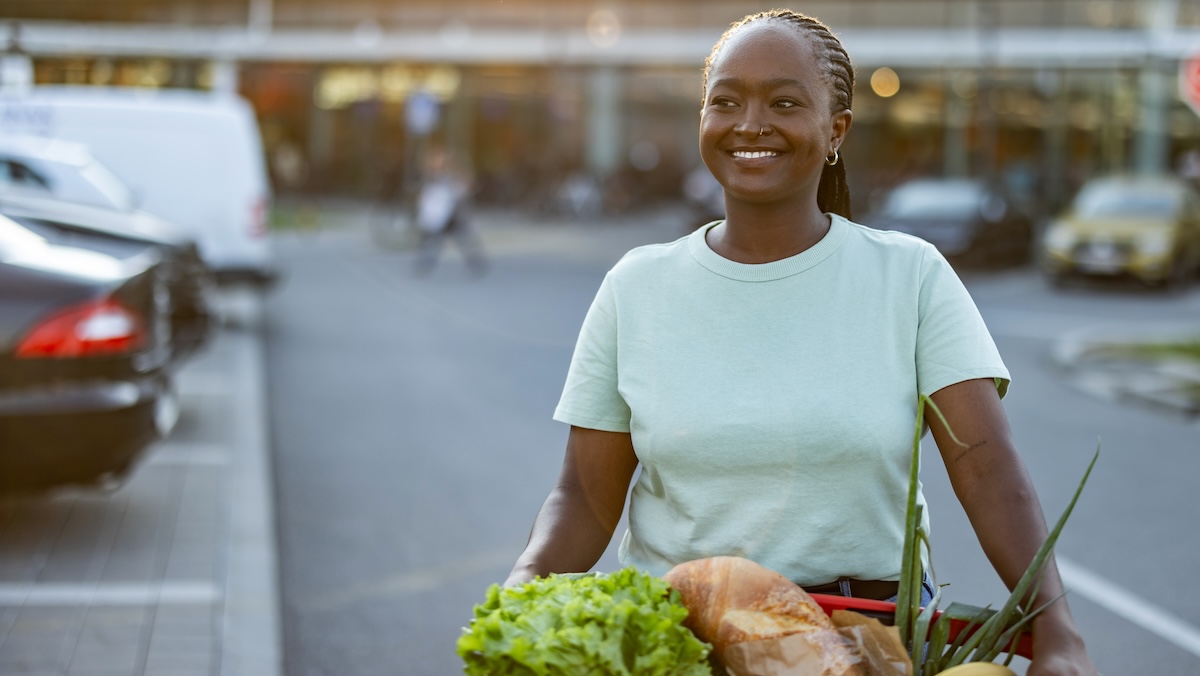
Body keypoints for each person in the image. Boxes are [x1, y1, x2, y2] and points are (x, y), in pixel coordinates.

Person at [504, 9, 1096, 676]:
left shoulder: (911, 276)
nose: (749, 123)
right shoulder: (635, 285)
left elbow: (988, 471)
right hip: (677, 647)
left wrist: (1057, 630)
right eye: (725, 101)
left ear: (835, 130)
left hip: (864, 647)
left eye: (784, 102)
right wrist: (527, 584)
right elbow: (583, 497)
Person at [412, 145, 487, 277]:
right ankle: (426, 262)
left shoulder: (454, 174)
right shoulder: (432, 176)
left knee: (460, 239)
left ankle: (475, 262)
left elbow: (466, 187)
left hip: (453, 215)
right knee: (435, 240)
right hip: (439, 216)